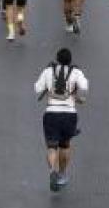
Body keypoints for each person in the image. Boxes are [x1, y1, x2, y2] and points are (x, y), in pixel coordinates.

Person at [34, 48, 88, 191]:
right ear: (70, 60)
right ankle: (63, 174)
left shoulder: (48, 71)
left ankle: (53, 171)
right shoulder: (76, 72)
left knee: (52, 147)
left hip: (51, 112)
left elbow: (37, 88)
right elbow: (84, 86)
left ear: (57, 59)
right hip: (69, 113)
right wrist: (76, 93)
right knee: (65, 145)